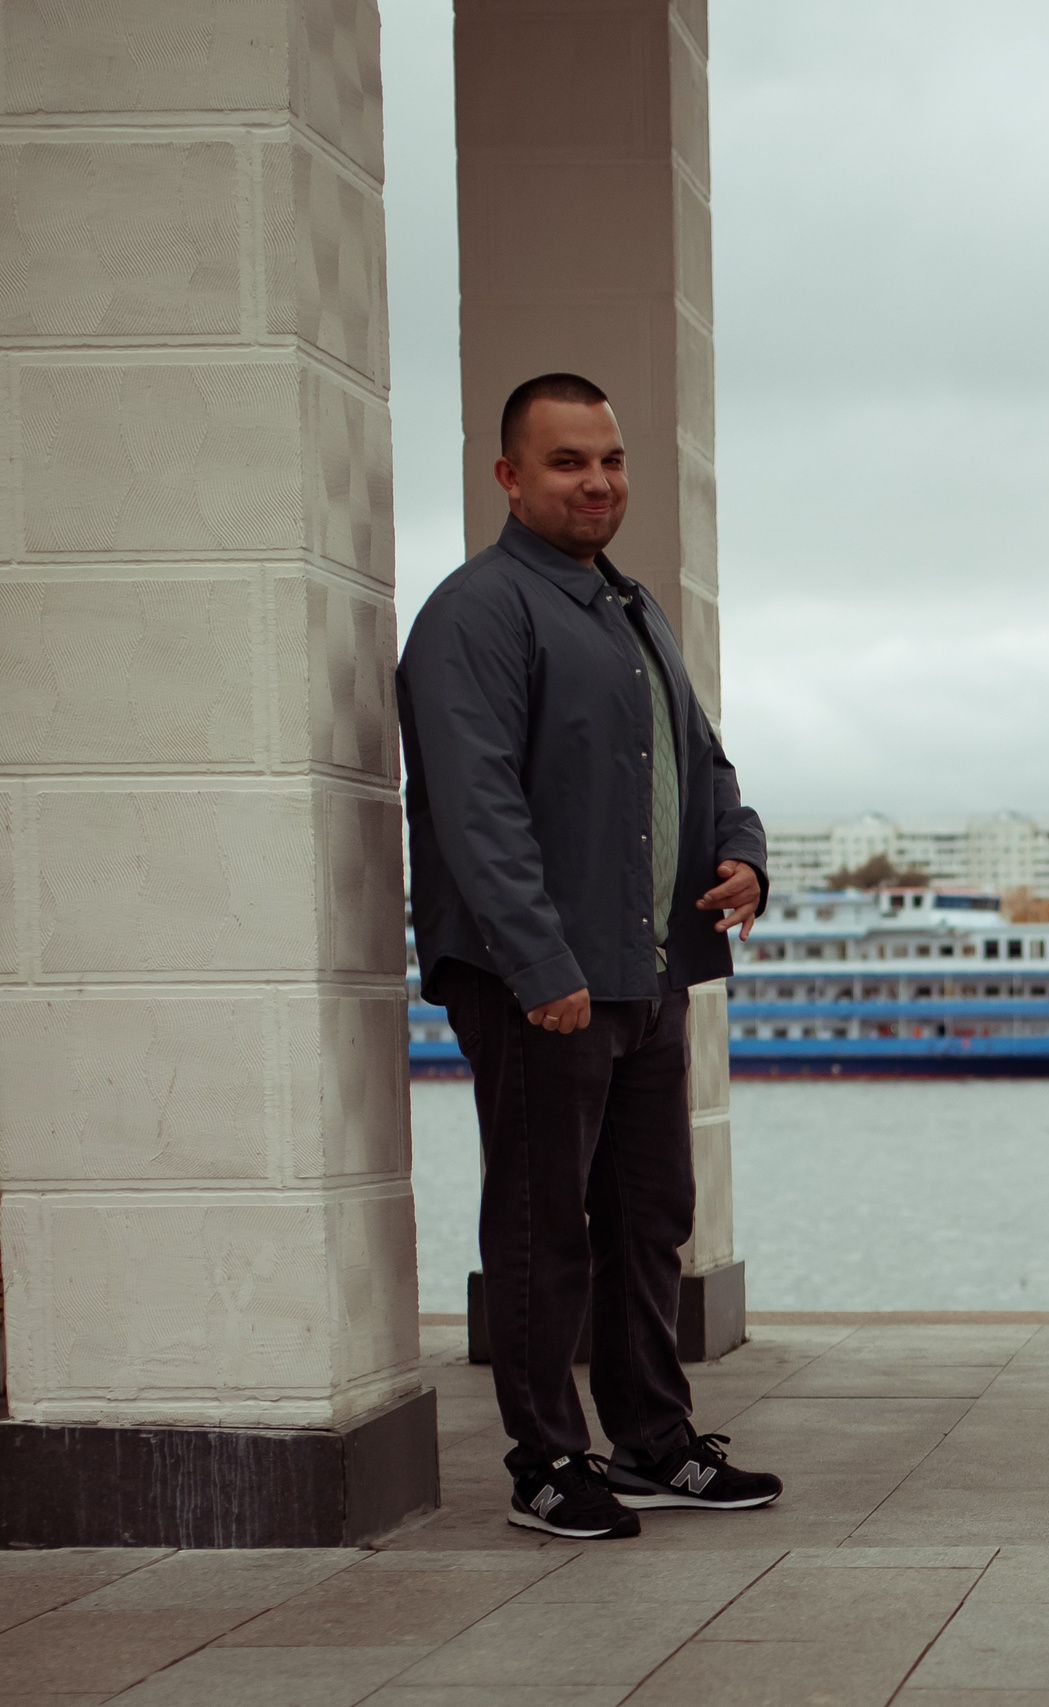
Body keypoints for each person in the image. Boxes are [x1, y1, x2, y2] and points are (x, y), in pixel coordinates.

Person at [398, 372, 784, 1539]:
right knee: (539, 1220)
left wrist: (743, 855)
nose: (598, 481)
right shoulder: (476, 613)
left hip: (647, 966)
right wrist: (538, 961)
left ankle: (654, 1441)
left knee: (647, 1213)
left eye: (610, 459)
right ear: (510, 476)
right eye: (568, 462)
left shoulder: (631, 610)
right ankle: (545, 1461)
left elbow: (703, 768)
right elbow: (475, 809)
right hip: (543, 981)